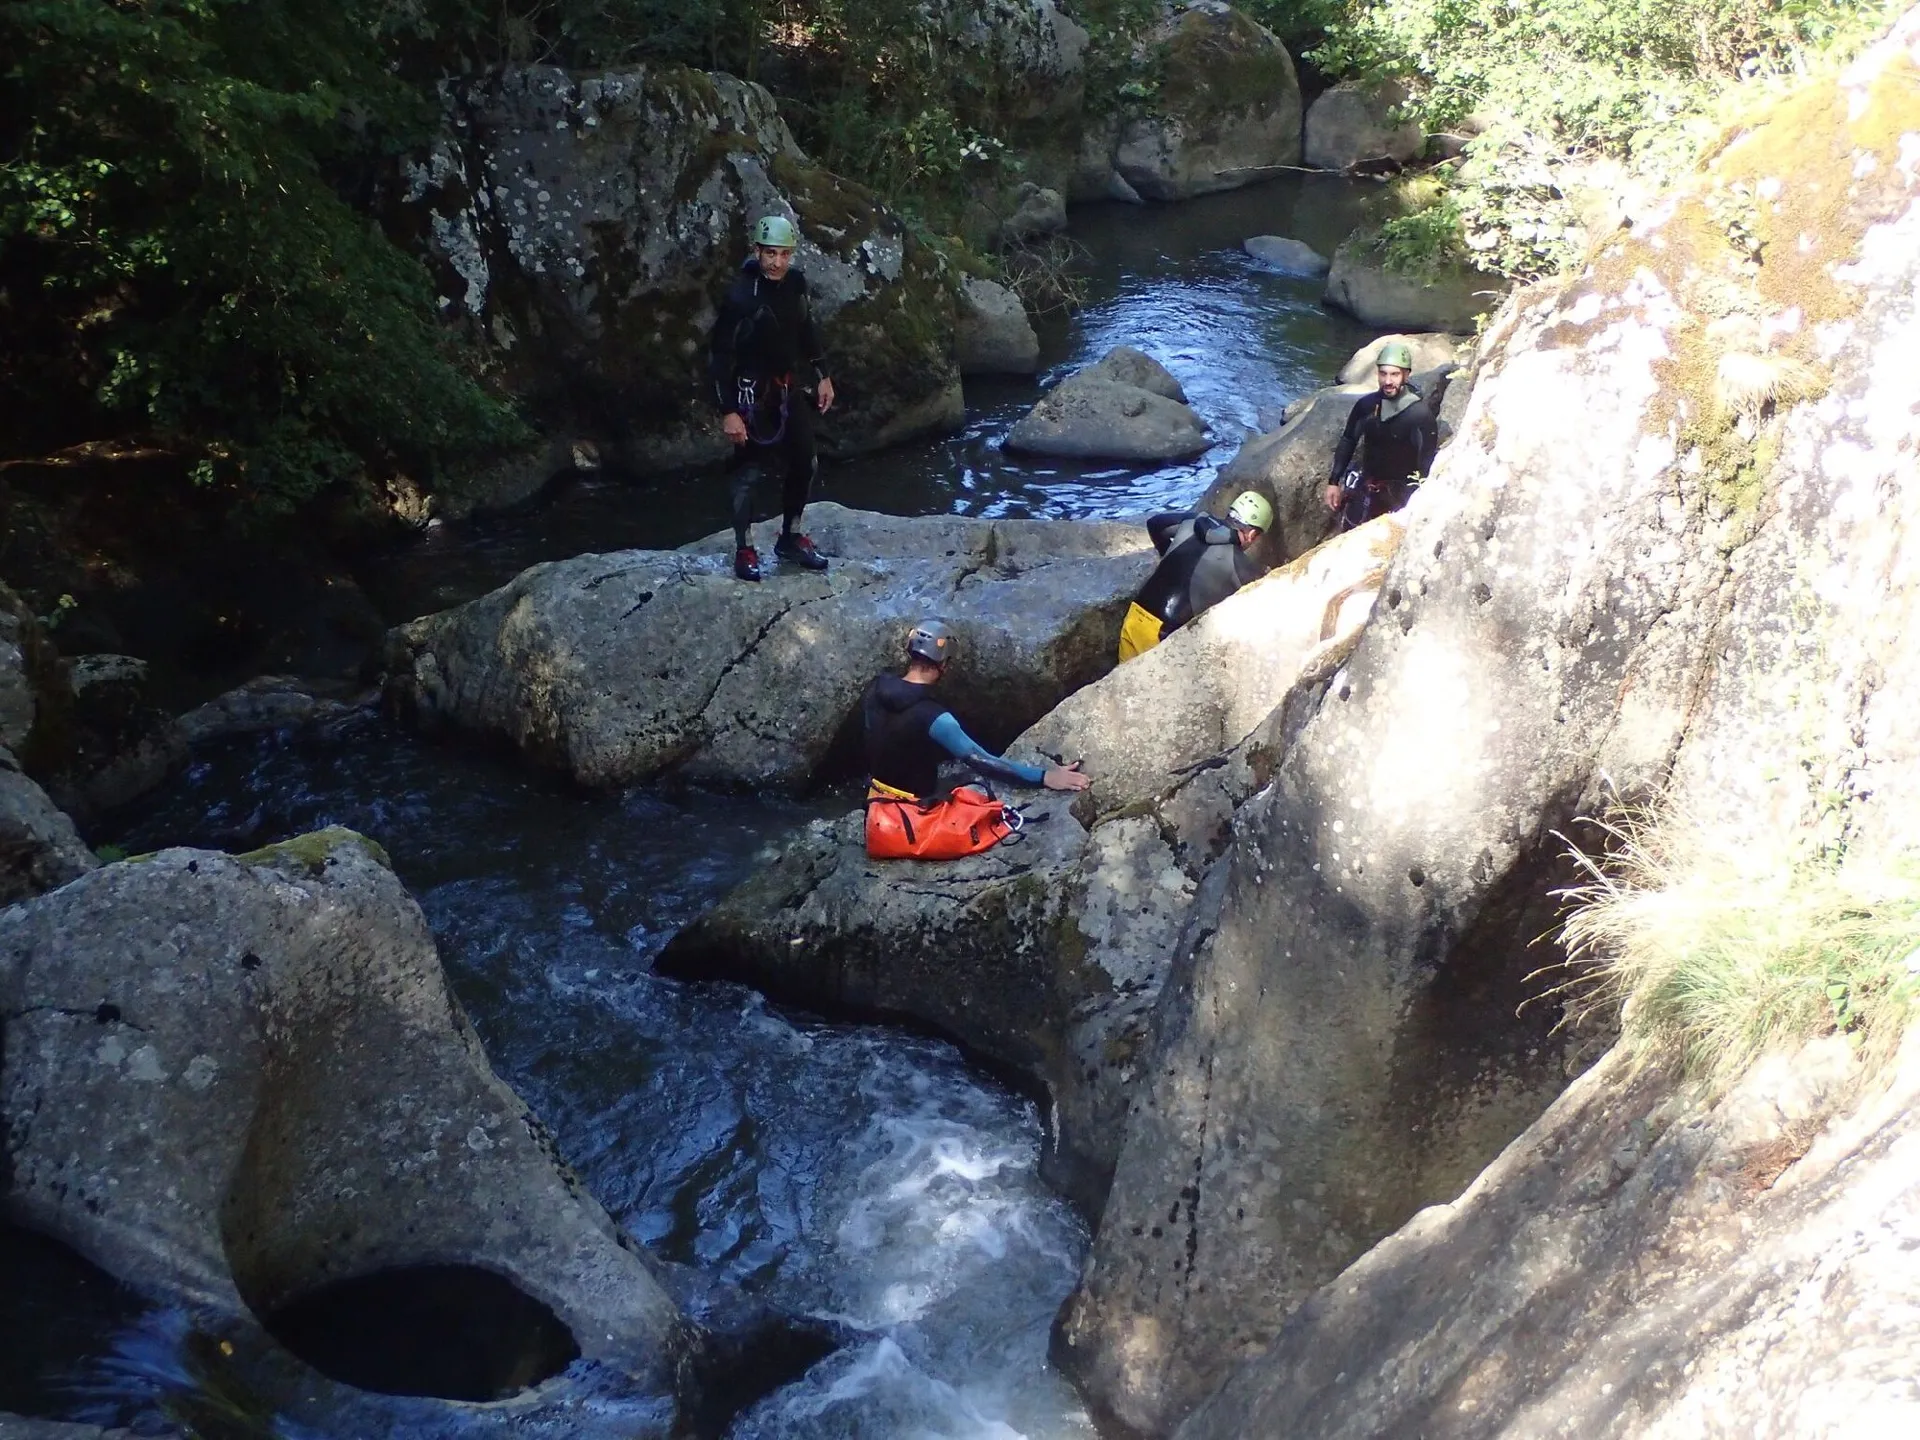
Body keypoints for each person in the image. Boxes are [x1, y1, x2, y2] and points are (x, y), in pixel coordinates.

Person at [709, 214, 836, 582]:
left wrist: (823, 375)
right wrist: (728, 411)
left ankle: (790, 537)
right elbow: (718, 357)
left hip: (785, 388)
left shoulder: (795, 284)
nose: (777, 263)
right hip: (749, 394)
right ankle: (745, 548)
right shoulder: (740, 296)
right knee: (748, 473)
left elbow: (805, 328)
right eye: (770, 254)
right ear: (757, 251)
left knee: (806, 461)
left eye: (783, 254)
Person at [864, 621, 1092, 804]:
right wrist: (1045, 777)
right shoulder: (934, 716)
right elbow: (982, 760)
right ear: (943, 664)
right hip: (915, 809)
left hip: (877, 800)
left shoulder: (876, 689)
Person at [1117, 491, 1273, 663]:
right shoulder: (1239, 564)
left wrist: (1166, 552)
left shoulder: (1195, 521)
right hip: (1162, 636)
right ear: (1252, 534)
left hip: (1135, 614)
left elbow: (1154, 523)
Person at [1324, 340, 1439, 532]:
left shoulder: (1420, 416)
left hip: (1401, 496)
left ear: (1406, 375)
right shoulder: (1366, 405)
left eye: (1394, 374)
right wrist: (1333, 482)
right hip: (1367, 486)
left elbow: (1426, 464)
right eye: (1383, 373)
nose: (1388, 381)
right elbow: (1349, 440)